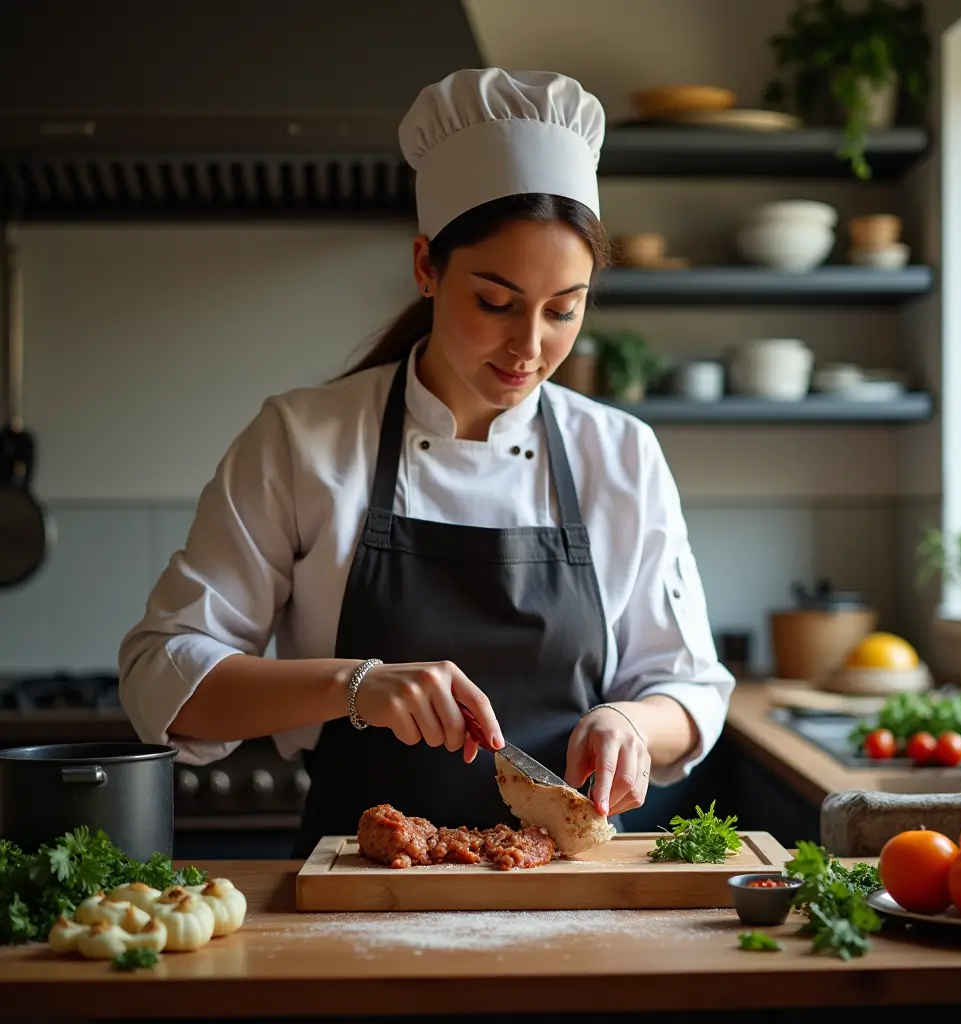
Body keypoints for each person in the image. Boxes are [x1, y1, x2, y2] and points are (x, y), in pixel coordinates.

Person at [118, 68, 735, 859]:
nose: (530, 346)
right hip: (360, 882)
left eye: (563, 309)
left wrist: (629, 724)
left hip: (568, 897)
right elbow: (160, 678)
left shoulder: (619, 453)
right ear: (426, 268)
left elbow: (689, 687)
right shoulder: (303, 439)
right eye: (495, 301)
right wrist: (354, 686)